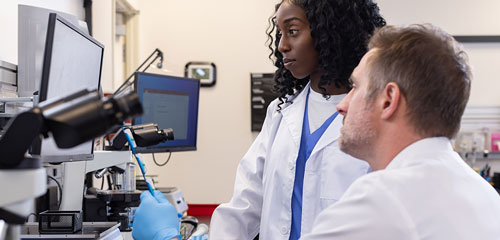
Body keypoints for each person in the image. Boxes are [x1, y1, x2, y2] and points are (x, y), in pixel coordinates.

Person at [299, 24, 500, 239]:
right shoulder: (485, 195)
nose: (342, 105)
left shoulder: (383, 197)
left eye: (355, 87)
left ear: (388, 100)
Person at [209, 0, 385, 239]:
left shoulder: (378, 116)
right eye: (280, 34)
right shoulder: (280, 113)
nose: (281, 46)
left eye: (292, 31)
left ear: (329, 31)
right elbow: (247, 202)